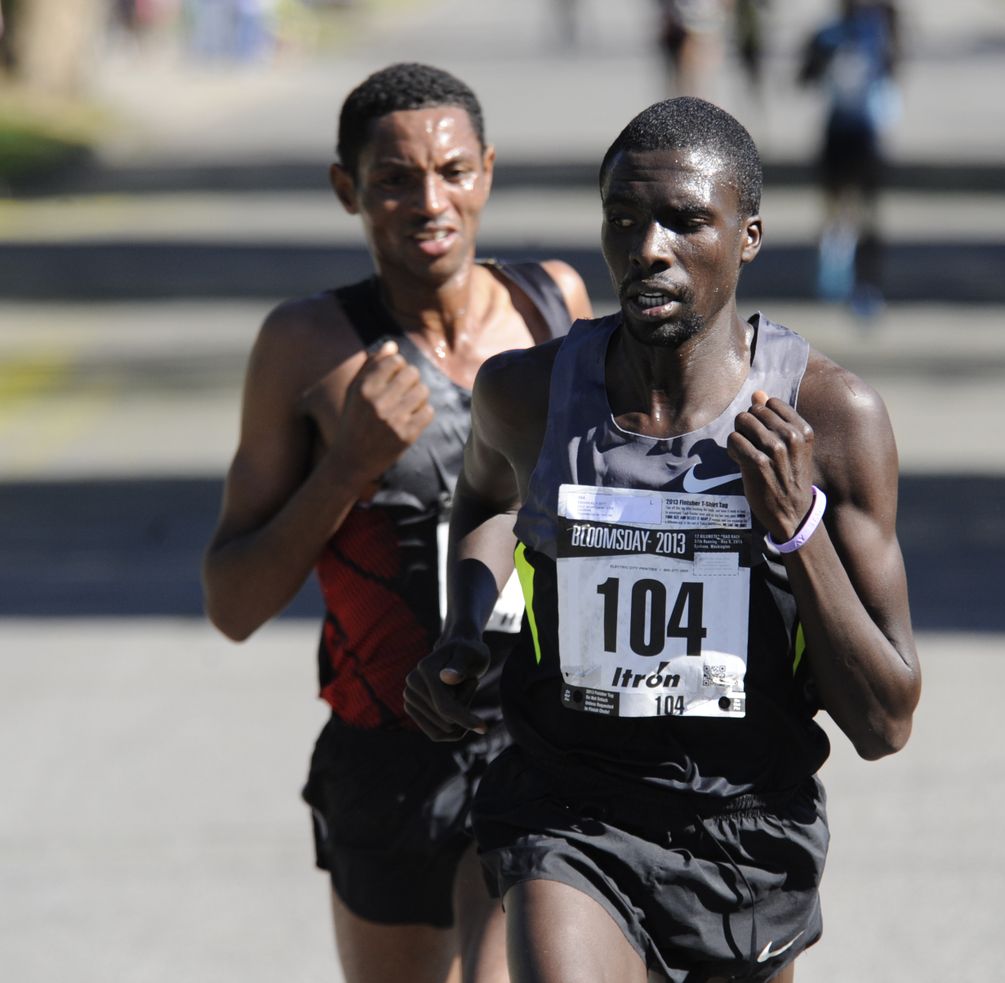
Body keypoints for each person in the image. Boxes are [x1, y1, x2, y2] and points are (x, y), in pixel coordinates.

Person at [405, 96, 920, 983]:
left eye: (686, 221)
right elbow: (489, 498)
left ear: (748, 236)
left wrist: (799, 530)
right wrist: (465, 626)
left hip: (744, 828)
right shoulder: (526, 396)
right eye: (624, 219)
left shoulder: (832, 419)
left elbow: (885, 719)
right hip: (568, 810)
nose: (649, 248)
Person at [201, 62, 592, 983]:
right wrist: (346, 466)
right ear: (348, 188)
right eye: (394, 178)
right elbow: (233, 602)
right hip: (387, 755)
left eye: (454, 170)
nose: (430, 200)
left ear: (487, 171)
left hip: (541, 741)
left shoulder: (554, 307)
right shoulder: (307, 346)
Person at [799, 0, 901, 320]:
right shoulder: (835, 36)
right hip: (847, 134)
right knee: (844, 207)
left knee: (861, 211)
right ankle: (844, 274)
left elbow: (890, 75)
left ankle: (862, 282)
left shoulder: (875, 32)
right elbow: (805, 77)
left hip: (859, 135)